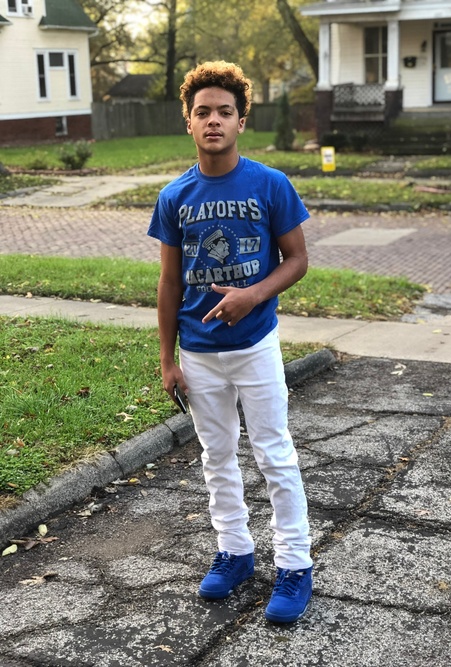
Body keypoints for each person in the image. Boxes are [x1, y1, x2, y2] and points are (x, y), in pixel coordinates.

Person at [147, 60, 313, 624]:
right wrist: (167, 359)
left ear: (242, 121)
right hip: (198, 353)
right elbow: (169, 283)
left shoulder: (270, 184)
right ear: (189, 123)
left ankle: (295, 564)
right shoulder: (175, 196)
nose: (213, 120)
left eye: (224, 111)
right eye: (203, 112)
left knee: (274, 455)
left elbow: (297, 259)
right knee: (216, 457)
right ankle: (235, 552)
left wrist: (253, 295)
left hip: (255, 345)